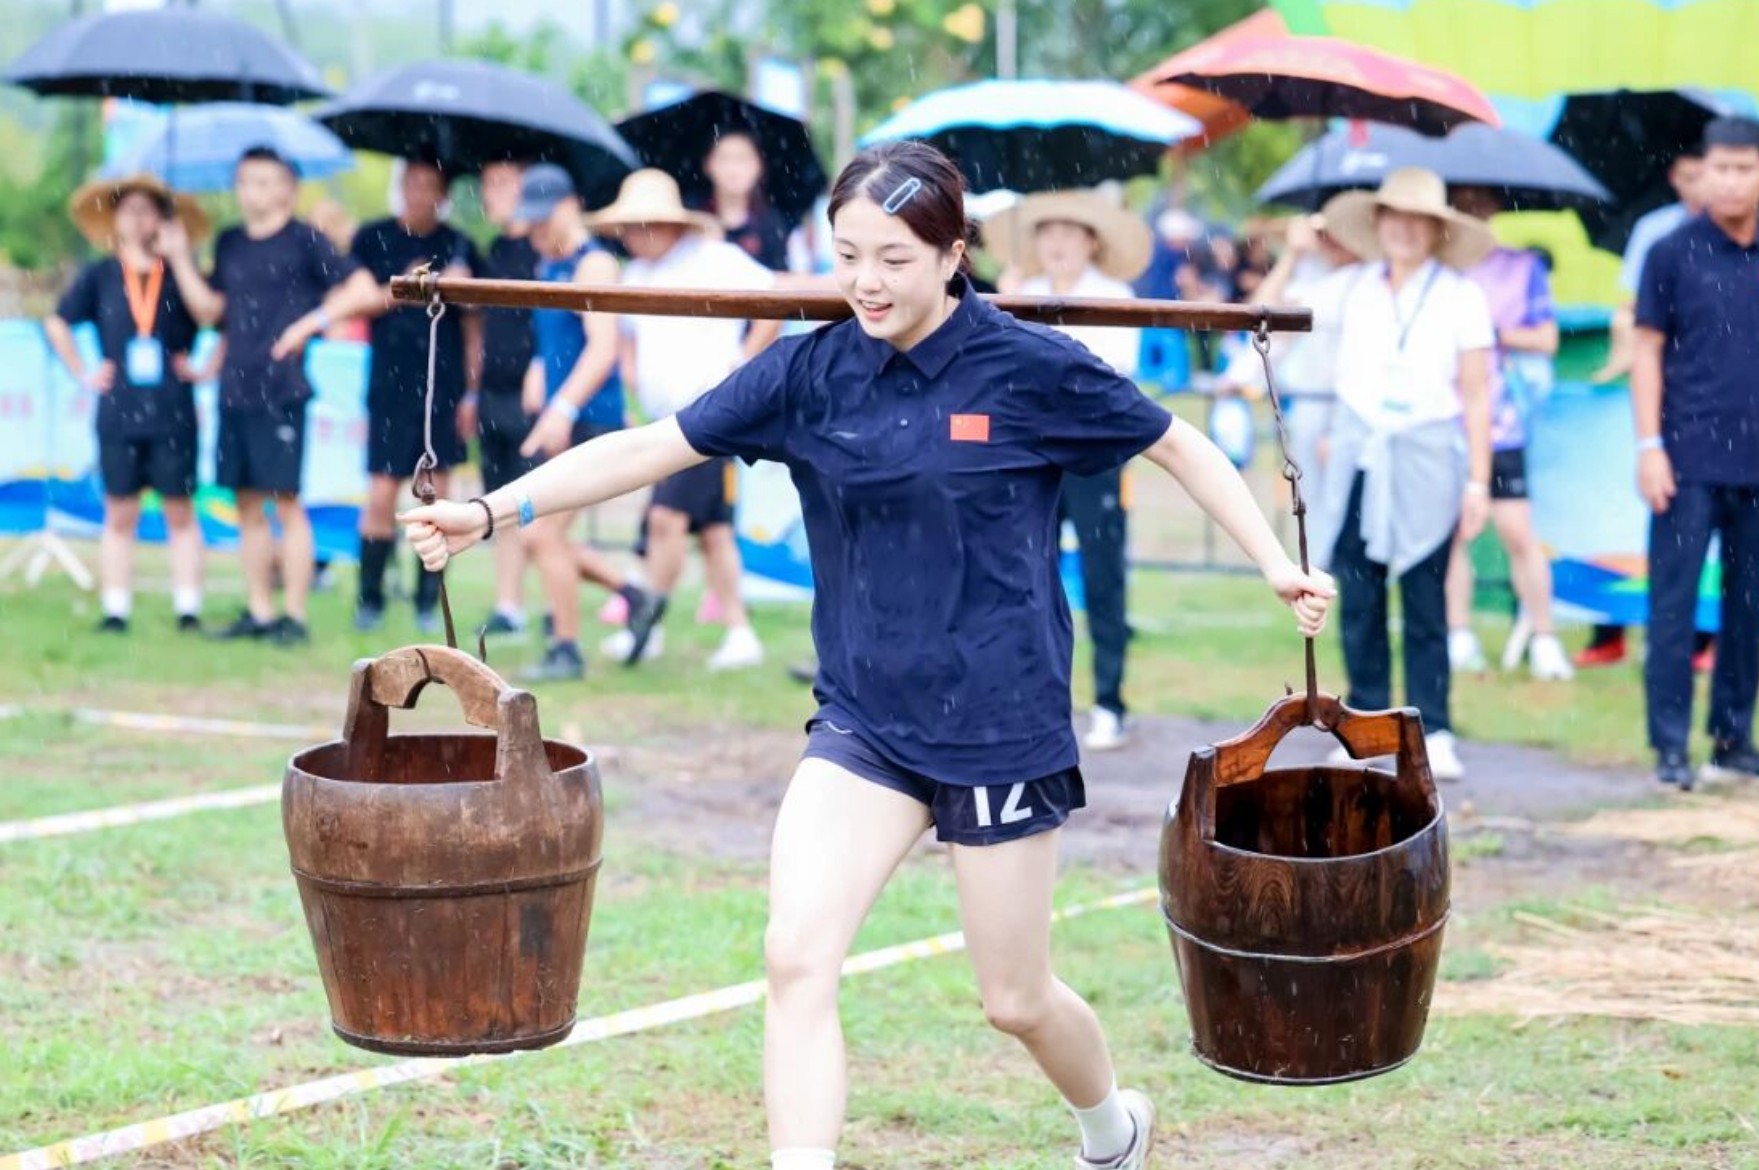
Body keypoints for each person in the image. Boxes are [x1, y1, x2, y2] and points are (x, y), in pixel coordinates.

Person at [399, 140, 1333, 1170]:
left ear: (952, 254)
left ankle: (1112, 1128)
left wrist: (1272, 562)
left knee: (1014, 999)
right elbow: (651, 446)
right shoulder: (811, 372)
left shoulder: (1026, 366)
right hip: (864, 722)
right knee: (795, 957)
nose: (866, 282)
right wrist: (490, 511)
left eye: (893, 258)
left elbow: (1178, 443)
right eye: (847, 256)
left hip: (999, 722)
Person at [1258, 168, 1496, 784]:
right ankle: (1364, 724)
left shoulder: (1460, 295)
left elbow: (1477, 394)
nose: (1405, 231)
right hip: (1359, 453)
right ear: (1378, 223)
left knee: (1424, 598)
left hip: (1426, 453)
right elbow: (1269, 316)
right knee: (1358, 596)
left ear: (1436, 229)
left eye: (1418, 221)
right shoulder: (1351, 286)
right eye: (1395, 218)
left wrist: (1479, 480)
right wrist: (1294, 253)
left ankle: (1433, 729)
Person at [167, 146, 365, 646]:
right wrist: (179, 257)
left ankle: (293, 615)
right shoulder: (230, 242)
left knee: (287, 504)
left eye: (261, 180)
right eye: (242, 180)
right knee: (247, 506)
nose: (248, 190)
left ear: (287, 188)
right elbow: (213, 312)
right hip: (235, 389)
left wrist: (307, 325)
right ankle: (259, 611)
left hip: (282, 389)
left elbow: (362, 288)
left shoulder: (306, 240)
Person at [589, 169, 780, 670]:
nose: (633, 236)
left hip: (708, 412)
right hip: (664, 417)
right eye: (628, 227)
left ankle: (647, 625)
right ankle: (739, 632)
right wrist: (632, 374)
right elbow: (627, 336)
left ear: (669, 224)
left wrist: (743, 360)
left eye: (642, 225)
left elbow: (773, 301)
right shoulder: (635, 276)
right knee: (713, 532)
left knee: (665, 520)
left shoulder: (715, 259)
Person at [990, 189, 1153, 751]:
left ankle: (1109, 702)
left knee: (1104, 578)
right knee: (1023, 577)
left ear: (1091, 242)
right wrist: (1006, 306)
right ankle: (1027, 699)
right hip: (1030, 455)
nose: (1057, 244)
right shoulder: (1020, 293)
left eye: (1069, 233)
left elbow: (1108, 376)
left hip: (1093, 454)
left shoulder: (1115, 297)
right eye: (1047, 233)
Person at [1632, 116, 1759, 790]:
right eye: (1722, 168)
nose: (1733, 181)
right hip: (1684, 461)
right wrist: (1648, 445)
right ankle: (1670, 747)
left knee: (1750, 608)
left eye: (1746, 168)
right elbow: (1646, 351)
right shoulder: (1671, 252)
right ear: (1702, 173)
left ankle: (1733, 739)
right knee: (1674, 608)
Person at [306, 157, 483, 633]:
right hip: (389, 386)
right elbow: (353, 302)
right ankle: (371, 598)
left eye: (429, 185)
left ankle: (428, 600)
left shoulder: (459, 244)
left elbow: (474, 324)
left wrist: (471, 391)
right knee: (381, 493)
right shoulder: (372, 237)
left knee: (436, 497)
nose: (418, 194)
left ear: (443, 194)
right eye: (411, 184)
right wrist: (402, 288)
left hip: (442, 388)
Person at [44, 174, 213, 634]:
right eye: (129, 210)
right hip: (118, 411)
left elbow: (215, 315)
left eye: (147, 210)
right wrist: (82, 370)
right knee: (120, 511)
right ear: (115, 218)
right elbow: (57, 322)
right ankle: (115, 608)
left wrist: (207, 367)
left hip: (173, 411)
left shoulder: (180, 272)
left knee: (179, 509)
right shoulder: (100, 275)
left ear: (163, 218)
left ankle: (188, 608)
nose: (138, 219)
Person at [514, 163, 658, 681]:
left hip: (590, 418)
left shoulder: (593, 265)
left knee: (541, 534)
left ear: (570, 206)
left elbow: (603, 349)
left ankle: (567, 648)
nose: (534, 227)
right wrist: (537, 370)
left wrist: (564, 408)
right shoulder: (547, 262)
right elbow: (558, 340)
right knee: (537, 533)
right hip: (566, 415)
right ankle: (633, 596)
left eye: (542, 216)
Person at [1581, 144, 1709, 671]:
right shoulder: (1658, 233)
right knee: (1633, 516)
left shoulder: (1741, 239)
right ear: (1675, 177)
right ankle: (1613, 630)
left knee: (1712, 530)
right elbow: (1634, 310)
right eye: (1690, 174)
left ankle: (1707, 638)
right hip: (1655, 399)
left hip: (1711, 400)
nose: (1701, 184)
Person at [1443, 186, 1573, 682]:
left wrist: (1493, 335)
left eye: (1480, 203)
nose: (1472, 211)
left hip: (1501, 424)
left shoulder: (1521, 267)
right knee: (1451, 535)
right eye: (1462, 203)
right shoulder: (1438, 270)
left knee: (1517, 531)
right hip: (1444, 421)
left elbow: (1546, 337)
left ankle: (1544, 637)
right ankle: (1457, 634)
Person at [462, 160, 542, 638]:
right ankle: (508, 605)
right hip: (493, 391)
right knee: (501, 504)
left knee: (539, 506)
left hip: (533, 395)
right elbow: (481, 326)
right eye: (487, 184)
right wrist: (473, 390)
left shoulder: (544, 249)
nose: (491, 193)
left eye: (502, 184)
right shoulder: (492, 250)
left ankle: (561, 606)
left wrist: (542, 369)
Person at [701, 131, 794, 272]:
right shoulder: (692, 218)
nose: (733, 170)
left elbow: (779, 276)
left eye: (742, 159)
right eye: (724, 159)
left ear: (759, 166)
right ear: (708, 164)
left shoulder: (771, 223)